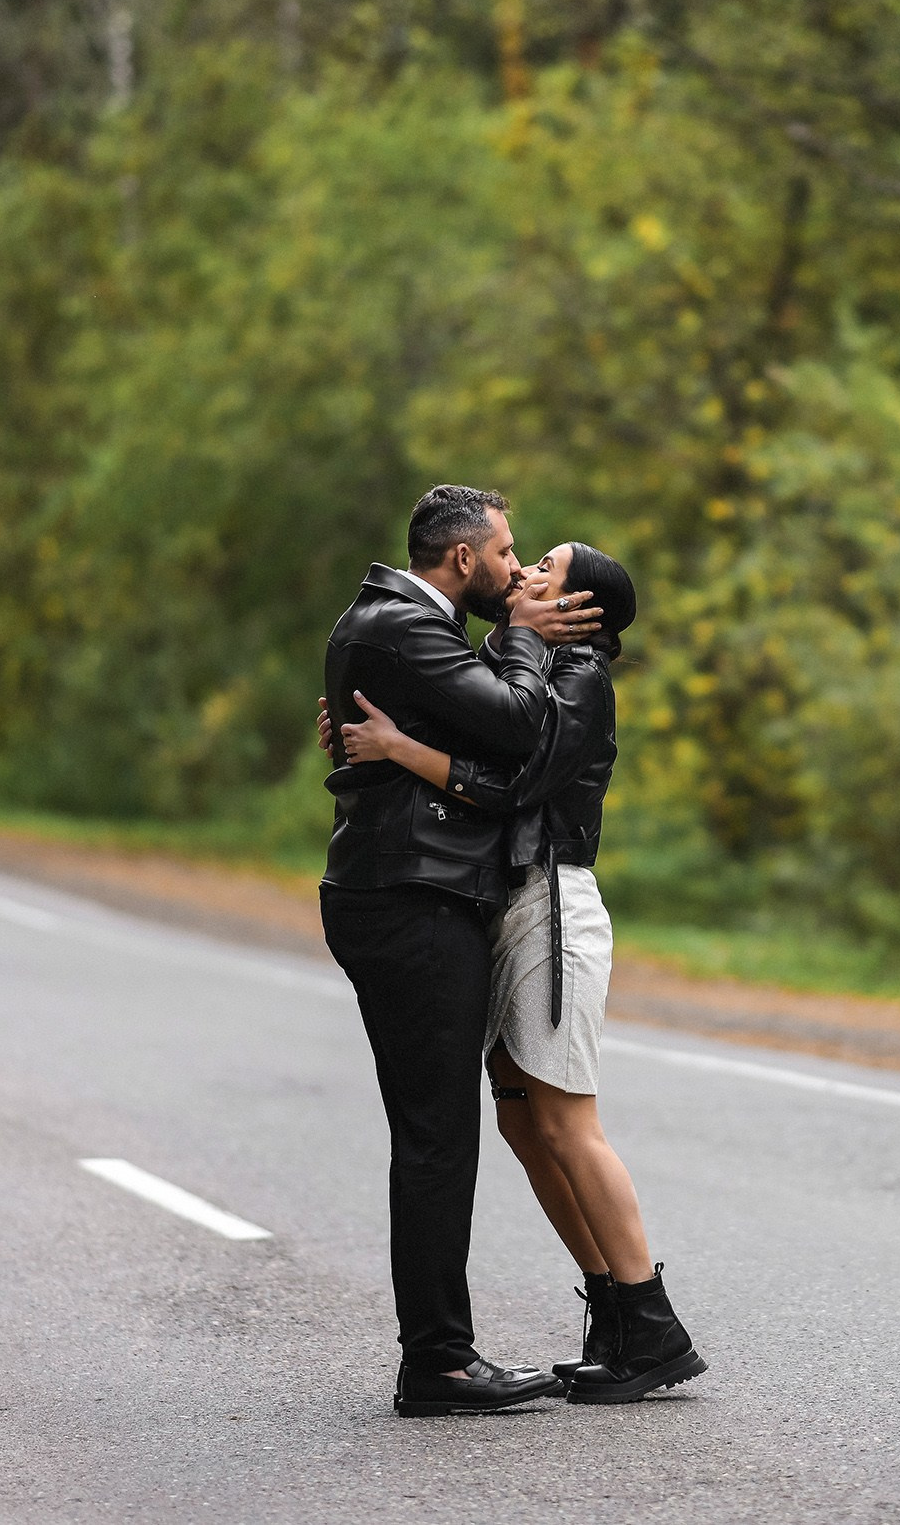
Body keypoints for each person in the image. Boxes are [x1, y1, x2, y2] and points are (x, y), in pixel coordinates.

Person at [336, 541, 706, 1406]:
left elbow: (510, 784)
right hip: (505, 907)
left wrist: (400, 748)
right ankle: (613, 1312)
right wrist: (369, 736)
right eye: (525, 558)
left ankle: (653, 1323)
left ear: (580, 607)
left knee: (569, 1123)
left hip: (551, 906)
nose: (525, 571)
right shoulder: (523, 661)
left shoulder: (579, 677)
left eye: (545, 566)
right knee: (522, 1122)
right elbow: (471, 722)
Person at [319, 486, 604, 1417]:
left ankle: (438, 1354)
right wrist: (521, 634)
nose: (517, 569)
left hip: (404, 890)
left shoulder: (399, 624)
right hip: (412, 898)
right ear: (464, 558)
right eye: (507, 553)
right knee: (437, 1134)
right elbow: (516, 723)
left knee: (433, 1129)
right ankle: (438, 1362)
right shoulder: (405, 626)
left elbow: (465, 733)